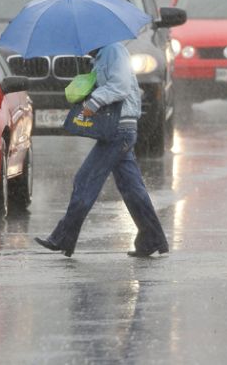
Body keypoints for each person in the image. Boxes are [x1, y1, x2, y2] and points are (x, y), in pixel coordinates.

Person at [35, 42, 170, 258]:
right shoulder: (100, 56)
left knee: (85, 180)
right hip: (119, 129)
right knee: (131, 188)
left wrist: (94, 102)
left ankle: (63, 237)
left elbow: (121, 86)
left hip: (118, 129)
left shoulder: (113, 51)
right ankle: (151, 238)